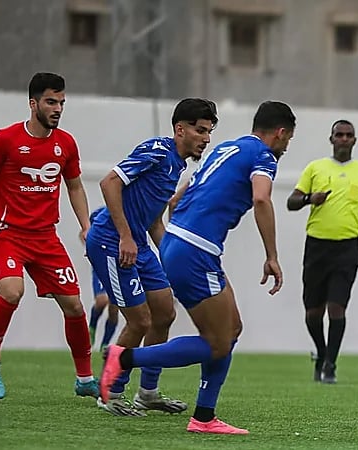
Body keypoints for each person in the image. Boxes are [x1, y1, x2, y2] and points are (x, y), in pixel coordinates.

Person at [100, 100, 295, 434]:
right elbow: (262, 198)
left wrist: (183, 237)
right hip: (194, 251)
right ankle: (123, 359)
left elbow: (176, 199)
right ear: (280, 133)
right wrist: (272, 256)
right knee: (216, 342)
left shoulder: (227, 148)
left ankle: (204, 417)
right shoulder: (263, 156)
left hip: (182, 244)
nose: (286, 146)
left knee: (231, 329)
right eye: (288, 140)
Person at [87, 98, 218, 416]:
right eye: (200, 130)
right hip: (110, 242)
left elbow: (155, 221)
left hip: (139, 246)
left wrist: (174, 258)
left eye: (209, 132)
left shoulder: (178, 165)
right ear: (180, 129)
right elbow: (109, 182)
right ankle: (111, 393)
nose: (206, 138)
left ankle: (148, 392)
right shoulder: (158, 150)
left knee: (164, 313)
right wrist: (125, 235)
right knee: (140, 320)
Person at [0, 72, 98, 399]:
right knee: (13, 291)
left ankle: (85, 379)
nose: (57, 108)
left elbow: (74, 186)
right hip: (7, 234)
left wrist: (86, 226)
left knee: (74, 305)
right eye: (51, 102)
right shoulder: (6, 139)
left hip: (46, 238)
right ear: (33, 104)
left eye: (61, 103)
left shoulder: (66, 144)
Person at [286, 120, 358, 384]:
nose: (343, 139)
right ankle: (321, 352)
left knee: (337, 309)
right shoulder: (315, 168)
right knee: (313, 313)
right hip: (317, 246)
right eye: (339, 135)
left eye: (348, 135)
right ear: (331, 139)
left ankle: (330, 364)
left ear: (355, 140)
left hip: (347, 248)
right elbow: (291, 202)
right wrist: (310, 198)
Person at [87, 207, 119, 352]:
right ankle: (92, 326)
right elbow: (87, 232)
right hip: (102, 265)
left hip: (120, 267)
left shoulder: (128, 212)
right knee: (101, 301)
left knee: (114, 309)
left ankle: (105, 345)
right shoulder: (100, 213)